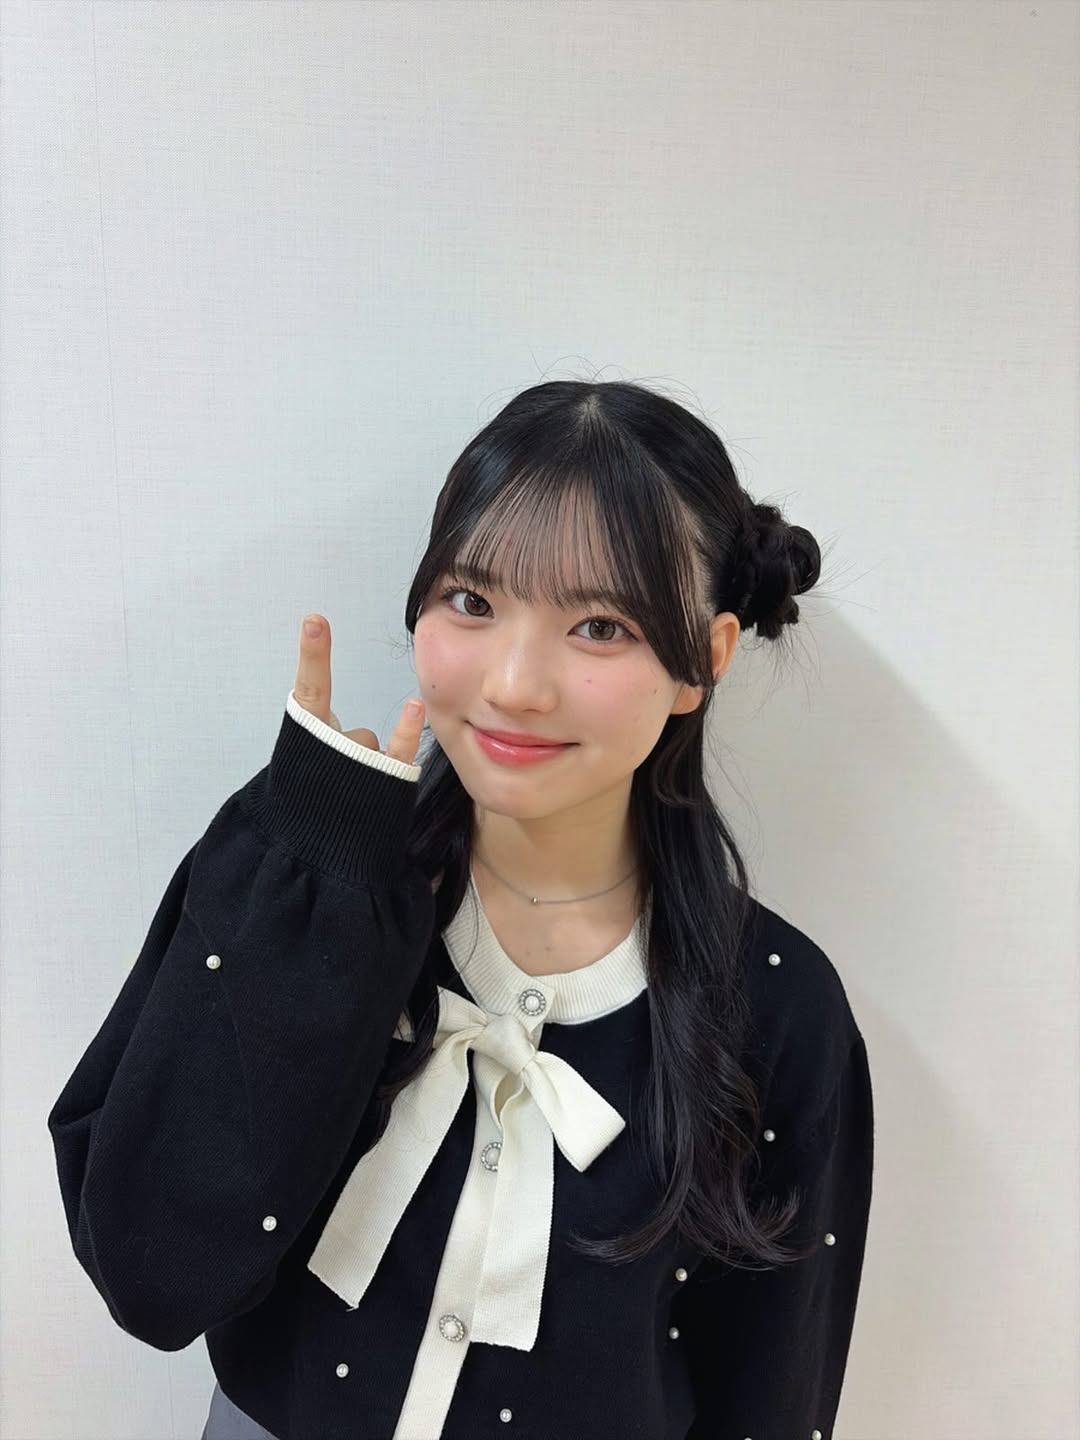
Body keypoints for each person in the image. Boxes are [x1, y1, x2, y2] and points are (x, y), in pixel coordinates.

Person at [48, 379, 874, 1440]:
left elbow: (772, 1394)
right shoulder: (307, 881)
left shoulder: (781, 1008)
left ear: (702, 661)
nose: (516, 684)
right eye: (474, 603)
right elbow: (150, 1274)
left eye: (600, 625)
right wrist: (304, 885)